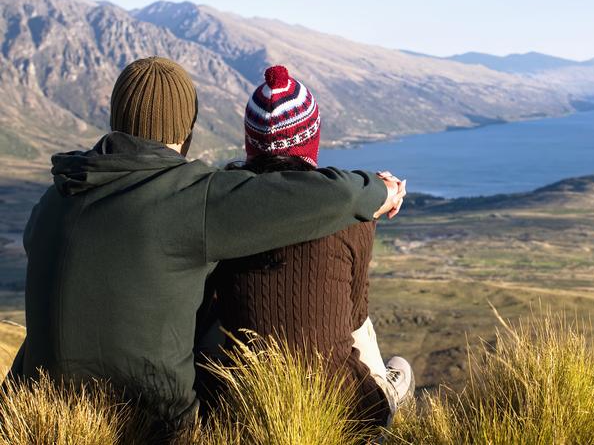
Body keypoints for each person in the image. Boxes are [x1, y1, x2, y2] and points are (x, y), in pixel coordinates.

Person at [7, 57, 406, 433]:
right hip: (153, 425)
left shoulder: (54, 200)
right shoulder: (186, 199)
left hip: (40, 413)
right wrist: (379, 190)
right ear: (186, 132)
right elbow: (327, 197)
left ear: (114, 122)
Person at [195, 65, 414, 429]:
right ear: (310, 139)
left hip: (245, 405)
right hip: (346, 412)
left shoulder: (222, 211)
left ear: (251, 143)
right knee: (370, 333)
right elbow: (354, 316)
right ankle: (386, 396)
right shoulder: (351, 215)